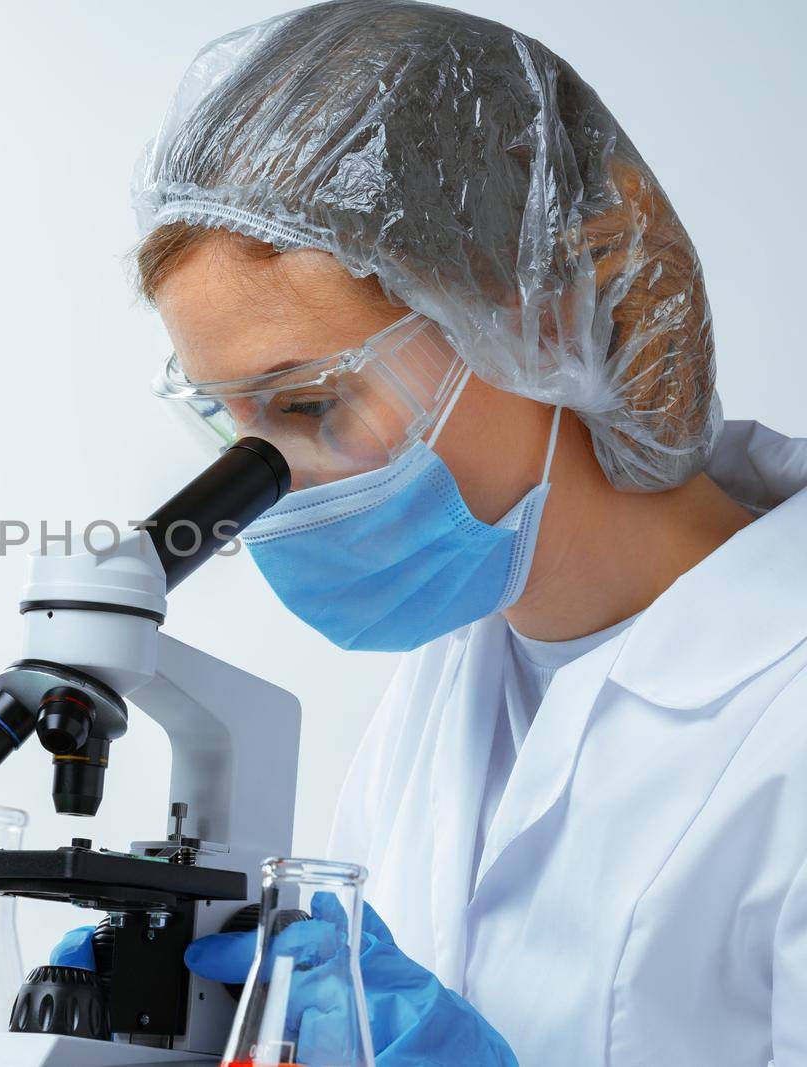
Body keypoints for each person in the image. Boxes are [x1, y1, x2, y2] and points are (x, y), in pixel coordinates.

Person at [60, 1, 807, 1063]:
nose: (273, 488)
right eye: (230, 424)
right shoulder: (456, 675)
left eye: (310, 406)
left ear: (540, 315)